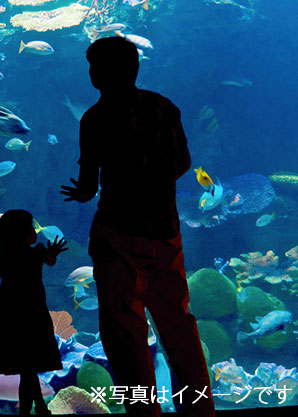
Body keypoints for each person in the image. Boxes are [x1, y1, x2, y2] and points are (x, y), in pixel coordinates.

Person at [61, 36, 215, 417]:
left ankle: (143, 413)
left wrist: (82, 195)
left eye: (95, 66)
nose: (92, 73)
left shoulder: (95, 118)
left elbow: (88, 185)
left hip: (117, 234)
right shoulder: (164, 107)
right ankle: (200, 409)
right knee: (178, 324)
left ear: (102, 72)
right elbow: (182, 163)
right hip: (165, 231)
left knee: (124, 333)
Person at [0, 209, 66, 415]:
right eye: (32, 227)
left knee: (26, 366)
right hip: (32, 312)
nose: (35, 231)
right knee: (29, 366)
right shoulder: (36, 252)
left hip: (8, 313)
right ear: (23, 232)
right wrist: (52, 254)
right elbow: (50, 261)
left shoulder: (5, 254)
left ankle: (38, 408)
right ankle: (30, 411)